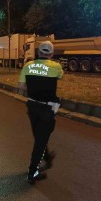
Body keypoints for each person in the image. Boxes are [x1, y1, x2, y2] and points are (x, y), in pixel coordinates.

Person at [18, 41, 64, 184]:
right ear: (51, 54)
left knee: (39, 136)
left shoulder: (27, 65)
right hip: (47, 109)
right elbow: (60, 77)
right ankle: (33, 172)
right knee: (40, 140)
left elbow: (21, 87)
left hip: (32, 106)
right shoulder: (56, 67)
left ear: (38, 53)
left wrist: (33, 90)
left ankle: (47, 158)